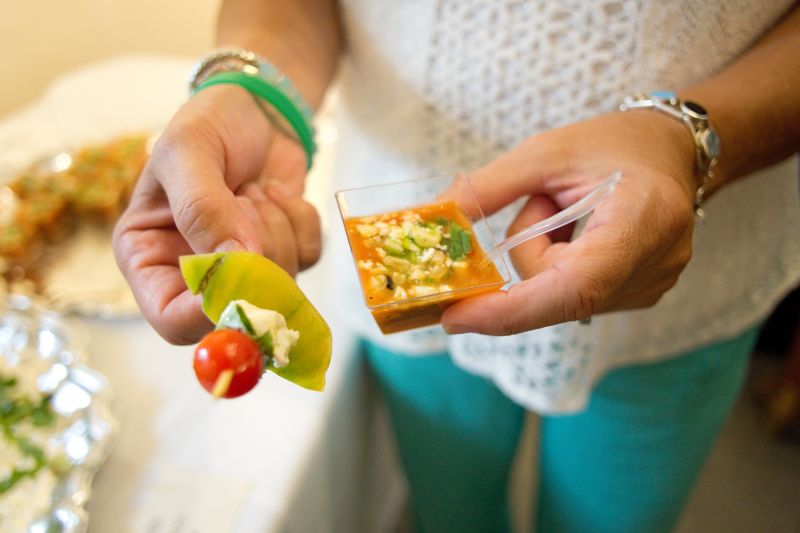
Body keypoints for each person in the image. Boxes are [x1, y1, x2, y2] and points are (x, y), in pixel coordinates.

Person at [113, 1, 800, 531]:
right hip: (405, 254)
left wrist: (695, 140)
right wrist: (252, 89)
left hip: (682, 279)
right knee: (450, 505)